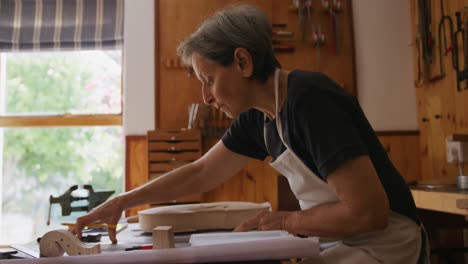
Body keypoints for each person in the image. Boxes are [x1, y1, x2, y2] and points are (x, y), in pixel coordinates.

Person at [72, 4, 428, 264]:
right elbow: (199, 172)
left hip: (385, 244)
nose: (206, 97)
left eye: (209, 80)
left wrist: (287, 221)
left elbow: (368, 213)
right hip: (338, 240)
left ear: (242, 62)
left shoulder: (309, 98)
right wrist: (122, 202)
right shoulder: (258, 119)